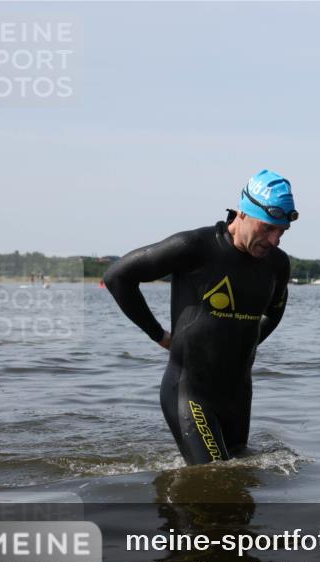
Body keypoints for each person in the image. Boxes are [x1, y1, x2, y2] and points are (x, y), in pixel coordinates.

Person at [104, 169, 295, 465]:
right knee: (216, 478)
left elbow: (275, 311)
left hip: (238, 396)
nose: (275, 240)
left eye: (281, 231)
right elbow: (118, 277)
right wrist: (159, 335)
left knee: (238, 483)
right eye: (268, 227)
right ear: (243, 213)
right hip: (191, 393)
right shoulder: (195, 248)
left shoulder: (277, 265)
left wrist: (246, 342)